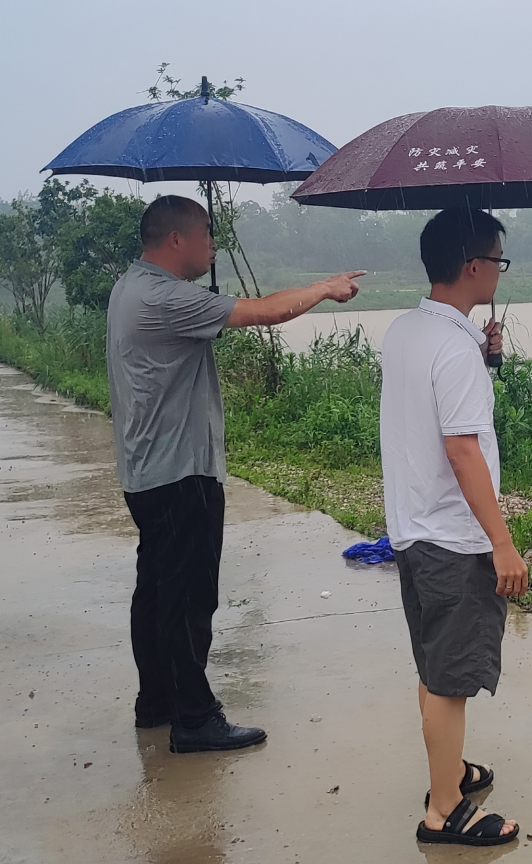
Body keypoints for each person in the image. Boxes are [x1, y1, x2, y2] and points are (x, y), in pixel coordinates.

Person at [109, 195, 362, 753]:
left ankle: (158, 701)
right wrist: (324, 288)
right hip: (181, 471)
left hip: (146, 468)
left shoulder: (132, 286)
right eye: (207, 232)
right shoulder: (165, 297)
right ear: (176, 239)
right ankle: (195, 719)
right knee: (188, 597)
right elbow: (265, 312)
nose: (213, 244)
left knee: (156, 591)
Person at [379, 208, 526, 846]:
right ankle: (444, 810)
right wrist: (502, 542)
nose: (499, 270)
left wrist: (483, 355)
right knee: (450, 679)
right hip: (453, 535)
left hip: (414, 525)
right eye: (497, 259)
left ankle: (451, 771)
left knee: (433, 663)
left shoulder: (407, 330)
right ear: (472, 266)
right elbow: (463, 449)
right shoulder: (454, 348)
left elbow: (431, 408)